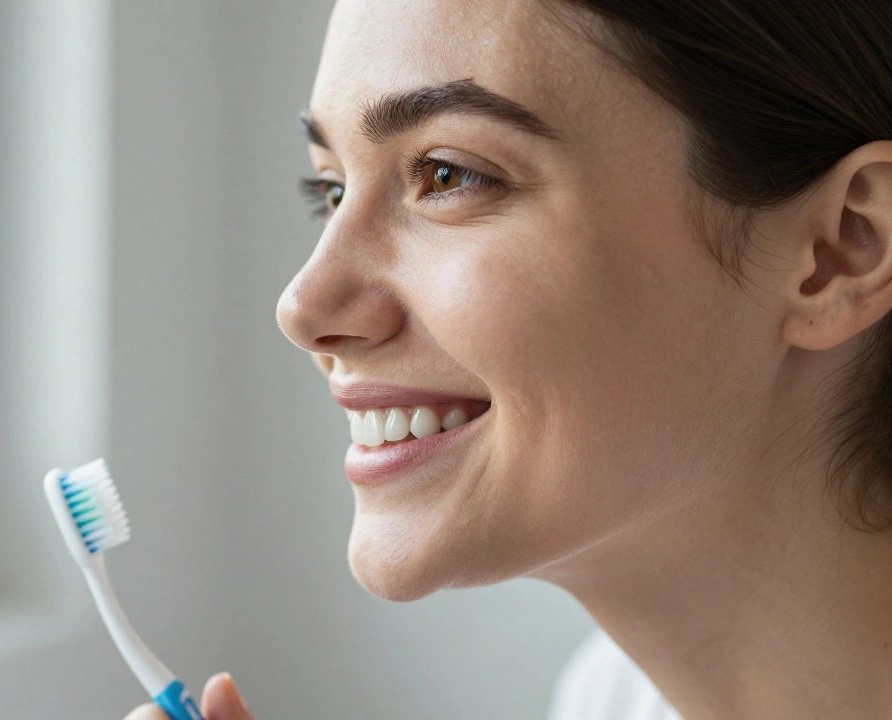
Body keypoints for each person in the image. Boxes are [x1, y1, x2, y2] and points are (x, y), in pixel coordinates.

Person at [128, 1, 892, 717]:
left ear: (841, 251)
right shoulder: (606, 697)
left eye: (449, 174)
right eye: (328, 190)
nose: (302, 308)